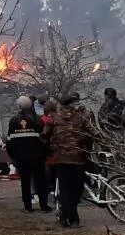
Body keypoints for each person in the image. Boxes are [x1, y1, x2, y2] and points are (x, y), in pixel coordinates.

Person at [45, 94, 92, 228]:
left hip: (61, 159)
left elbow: (44, 136)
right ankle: (73, 219)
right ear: (72, 103)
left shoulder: (53, 118)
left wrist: (50, 147)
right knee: (77, 188)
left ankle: (66, 216)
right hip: (78, 158)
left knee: (65, 190)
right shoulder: (81, 117)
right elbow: (93, 132)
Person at [7, 96, 51, 212]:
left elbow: (10, 141)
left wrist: (13, 156)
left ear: (19, 106)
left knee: (25, 182)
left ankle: (27, 207)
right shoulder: (37, 120)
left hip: (21, 158)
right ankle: (44, 206)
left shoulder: (13, 121)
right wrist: (45, 153)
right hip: (37, 157)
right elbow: (45, 138)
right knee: (41, 181)